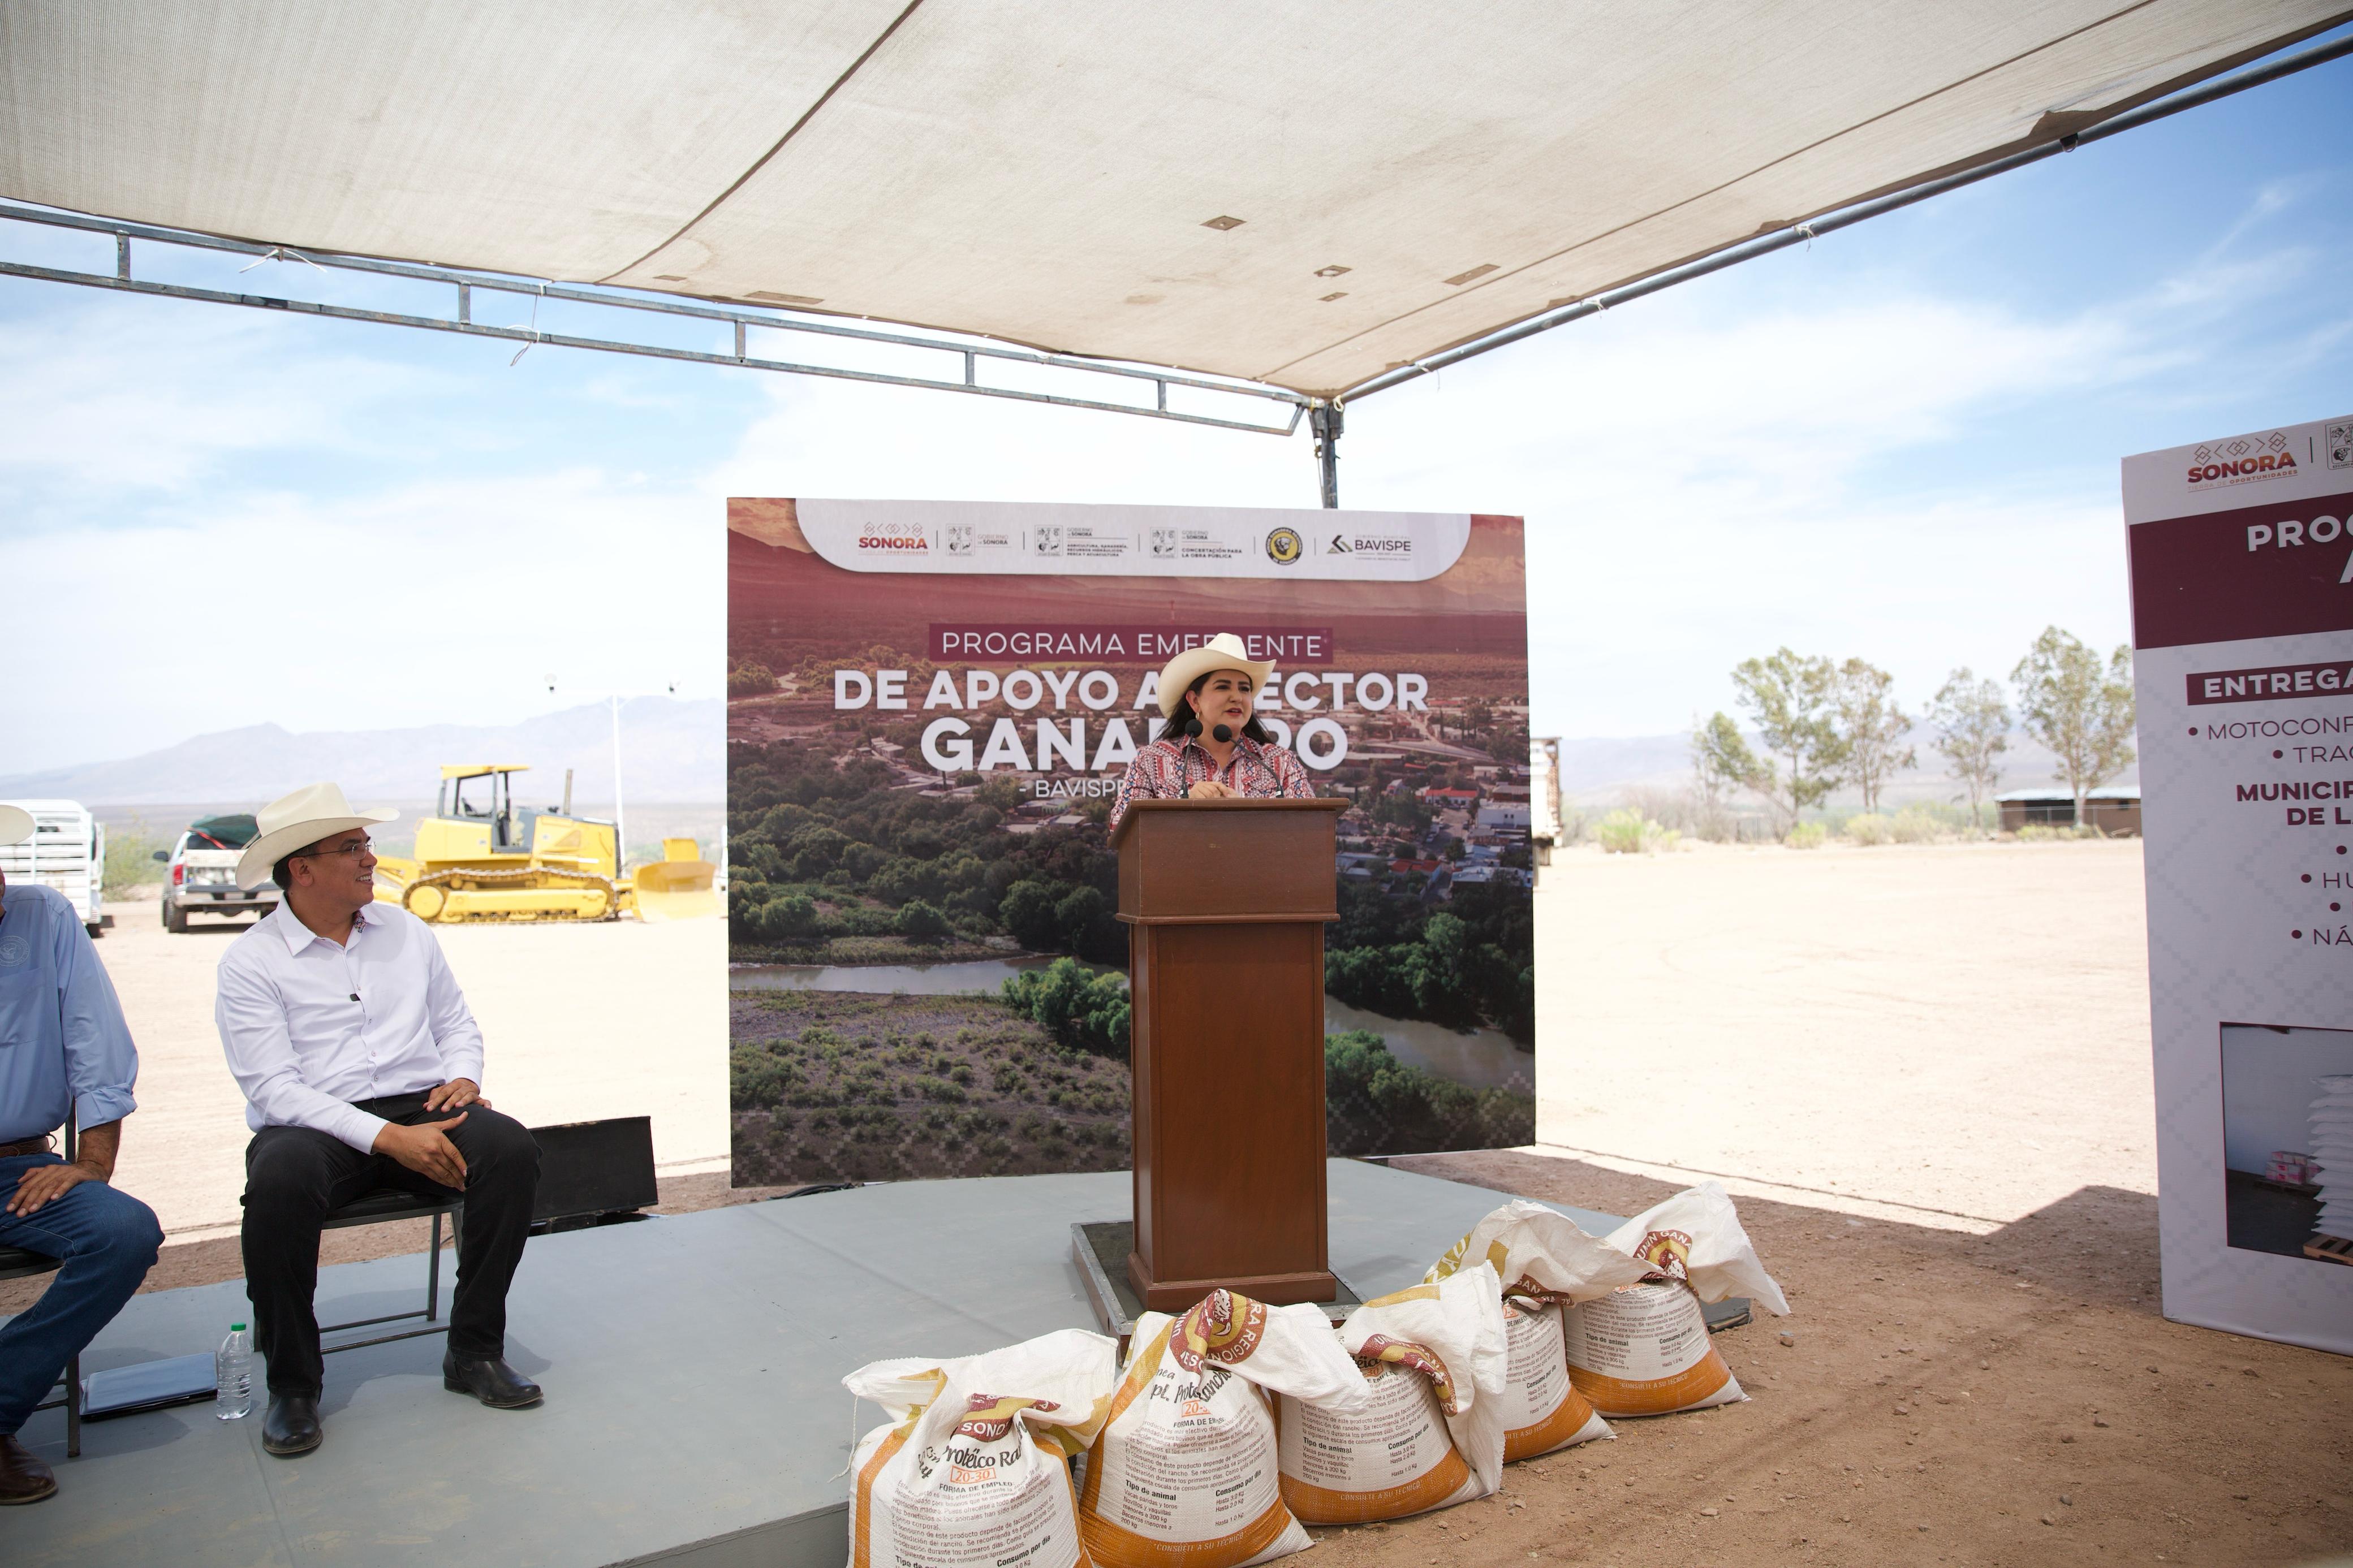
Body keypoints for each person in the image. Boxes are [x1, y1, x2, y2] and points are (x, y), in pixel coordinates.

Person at [216, 783, 544, 1458]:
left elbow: (456, 1022)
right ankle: (293, 1387)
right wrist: (388, 1138)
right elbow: (274, 1089)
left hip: (418, 1102)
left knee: (509, 1148)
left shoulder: (406, 930)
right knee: (278, 1180)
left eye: (365, 844)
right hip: (312, 1122)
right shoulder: (250, 962)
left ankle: (474, 1352)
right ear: (301, 870)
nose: (370, 857)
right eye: (351, 847)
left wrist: (464, 1075)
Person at [0, 803, 162, 1505]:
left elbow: (96, 1043)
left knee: (124, 1230)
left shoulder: (44, 916)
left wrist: (90, 1163)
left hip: (18, 1165)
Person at [1109, 632, 1319, 834]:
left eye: (1244, 689)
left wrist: (1248, 814)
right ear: (1194, 700)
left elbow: (1312, 829)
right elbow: (1120, 828)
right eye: (1223, 687)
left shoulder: (1280, 763)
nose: (1237, 697)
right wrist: (1182, 808)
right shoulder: (1151, 760)